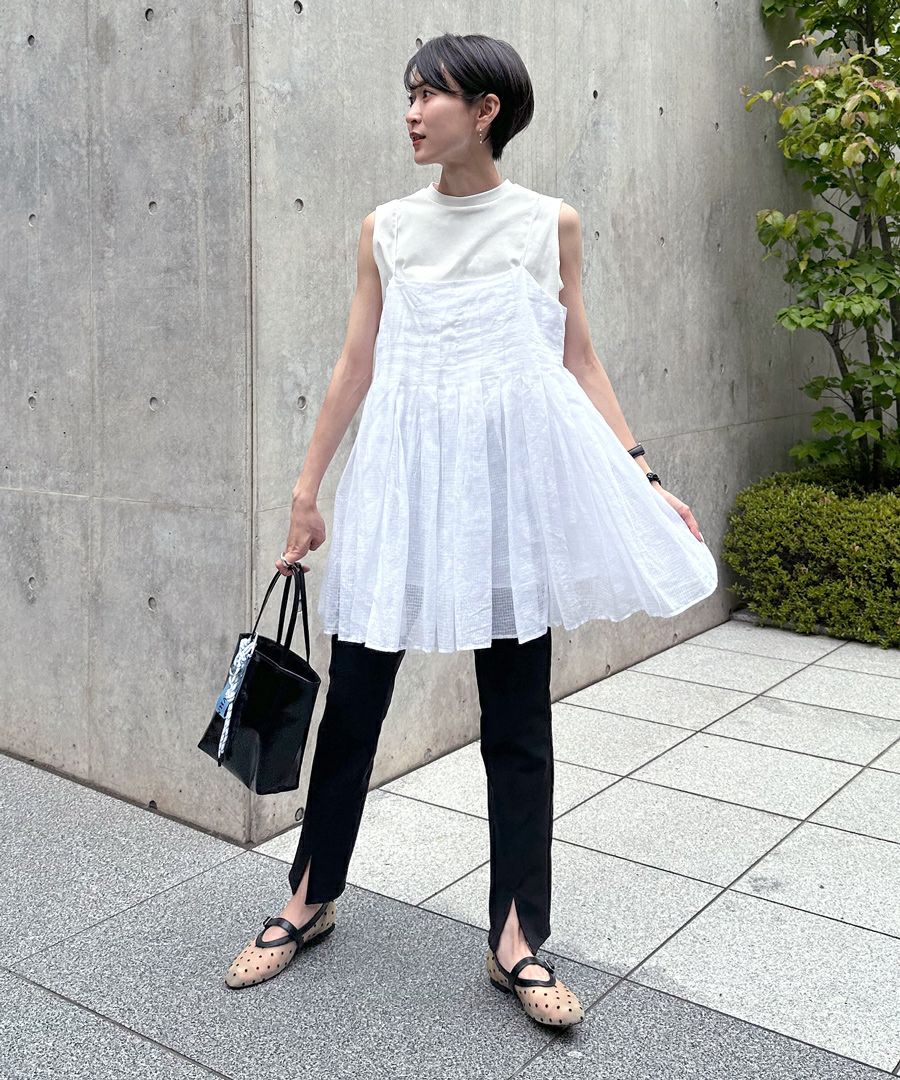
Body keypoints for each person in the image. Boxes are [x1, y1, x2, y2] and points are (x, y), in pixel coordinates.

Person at [224, 32, 718, 1028]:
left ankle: (516, 939)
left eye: (431, 95)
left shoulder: (548, 224)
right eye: (408, 94)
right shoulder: (387, 229)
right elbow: (355, 364)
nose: (412, 112)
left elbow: (580, 360)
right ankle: (308, 898)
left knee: (517, 719)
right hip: (401, 490)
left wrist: (644, 474)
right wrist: (307, 491)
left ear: (486, 110)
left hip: (504, 500)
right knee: (355, 704)